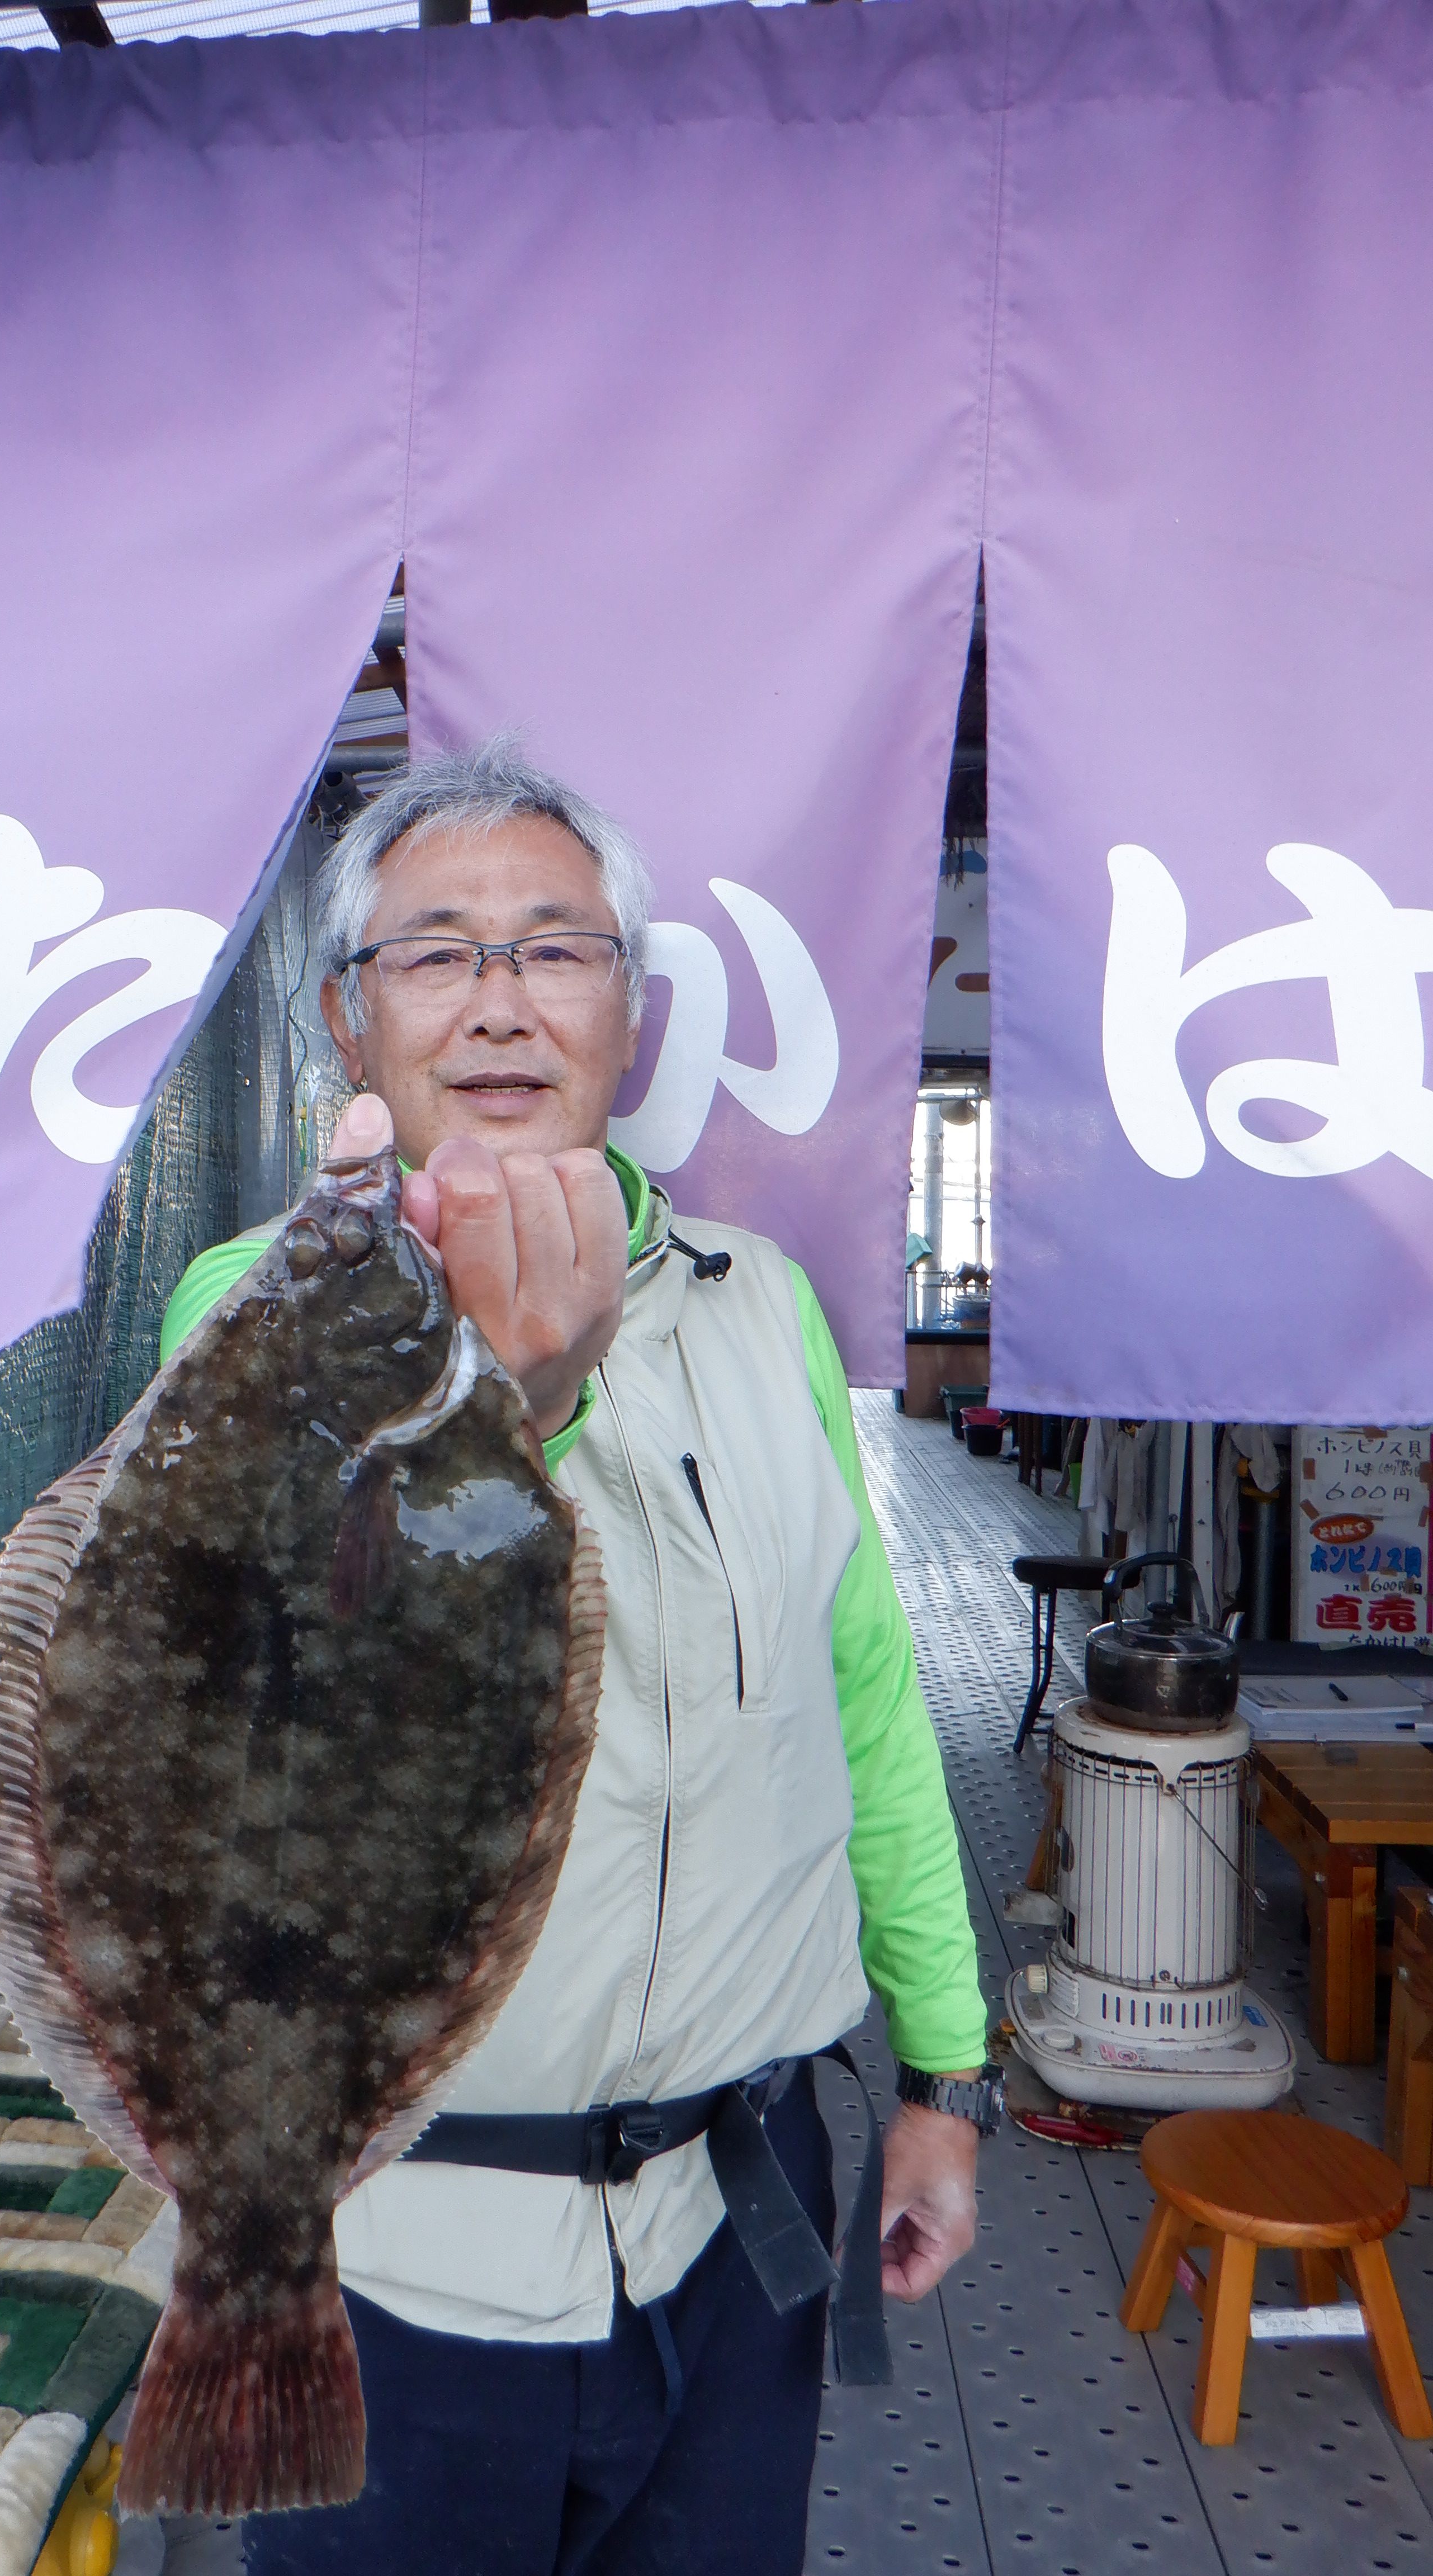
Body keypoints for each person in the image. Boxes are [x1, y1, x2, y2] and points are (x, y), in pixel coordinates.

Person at [156, 741, 994, 2576]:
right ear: (348, 1018)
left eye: (555, 948)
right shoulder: (252, 1311)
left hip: (739, 2231)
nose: (499, 1001)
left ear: (631, 1008)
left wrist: (947, 2077)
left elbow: (864, 1704)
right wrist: (508, 1414)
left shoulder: (767, 1308)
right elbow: (266, 1708)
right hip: (397, 2264)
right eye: (434, 953)